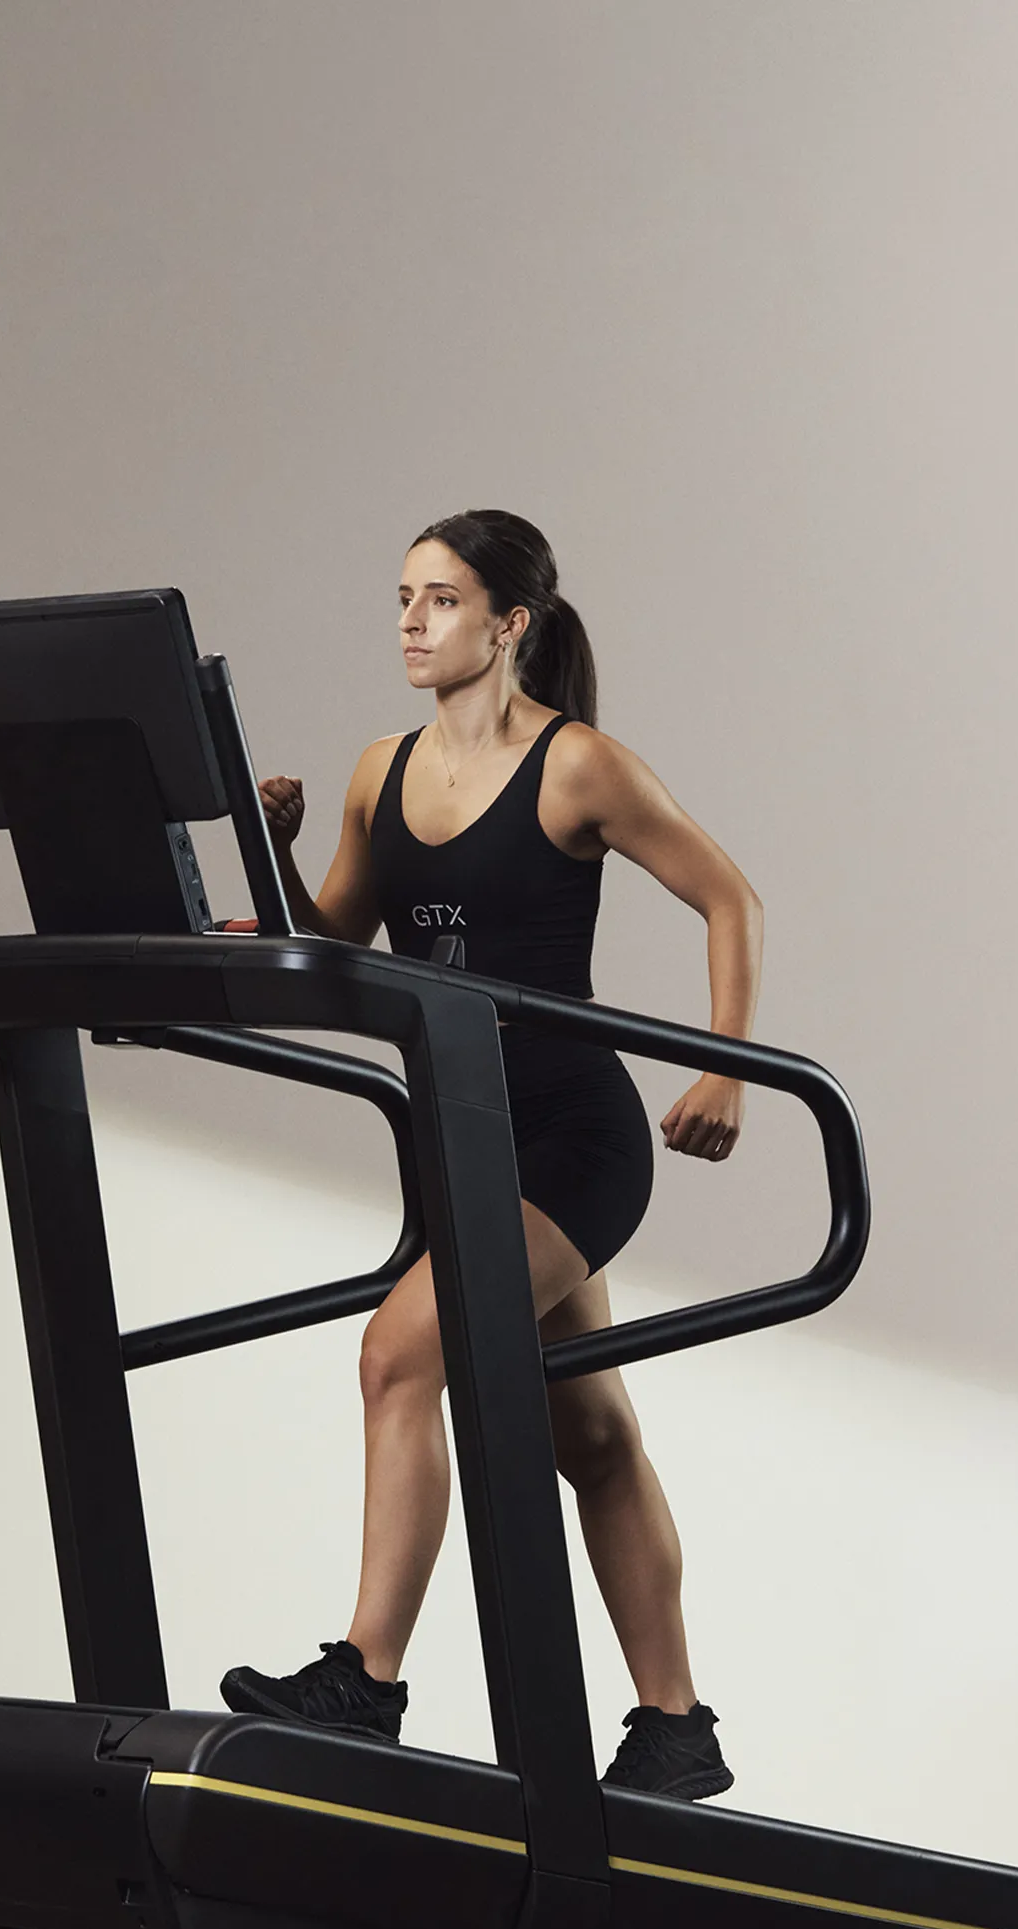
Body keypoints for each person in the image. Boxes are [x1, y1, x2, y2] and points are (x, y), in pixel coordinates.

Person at [220, 511, 762, 1799]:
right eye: (404, 598)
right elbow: (340, 949)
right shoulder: (376, 771)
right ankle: (677, 1725)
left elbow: (729, 894)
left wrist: (725, 1065)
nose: (413, 622)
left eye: (443, 600)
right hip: (463, 1137)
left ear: (508, 623)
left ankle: (366, 1677)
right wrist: (283, 858)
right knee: (594, 1435)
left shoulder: (578, 769)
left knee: (397, 1354)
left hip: (574, 1137)